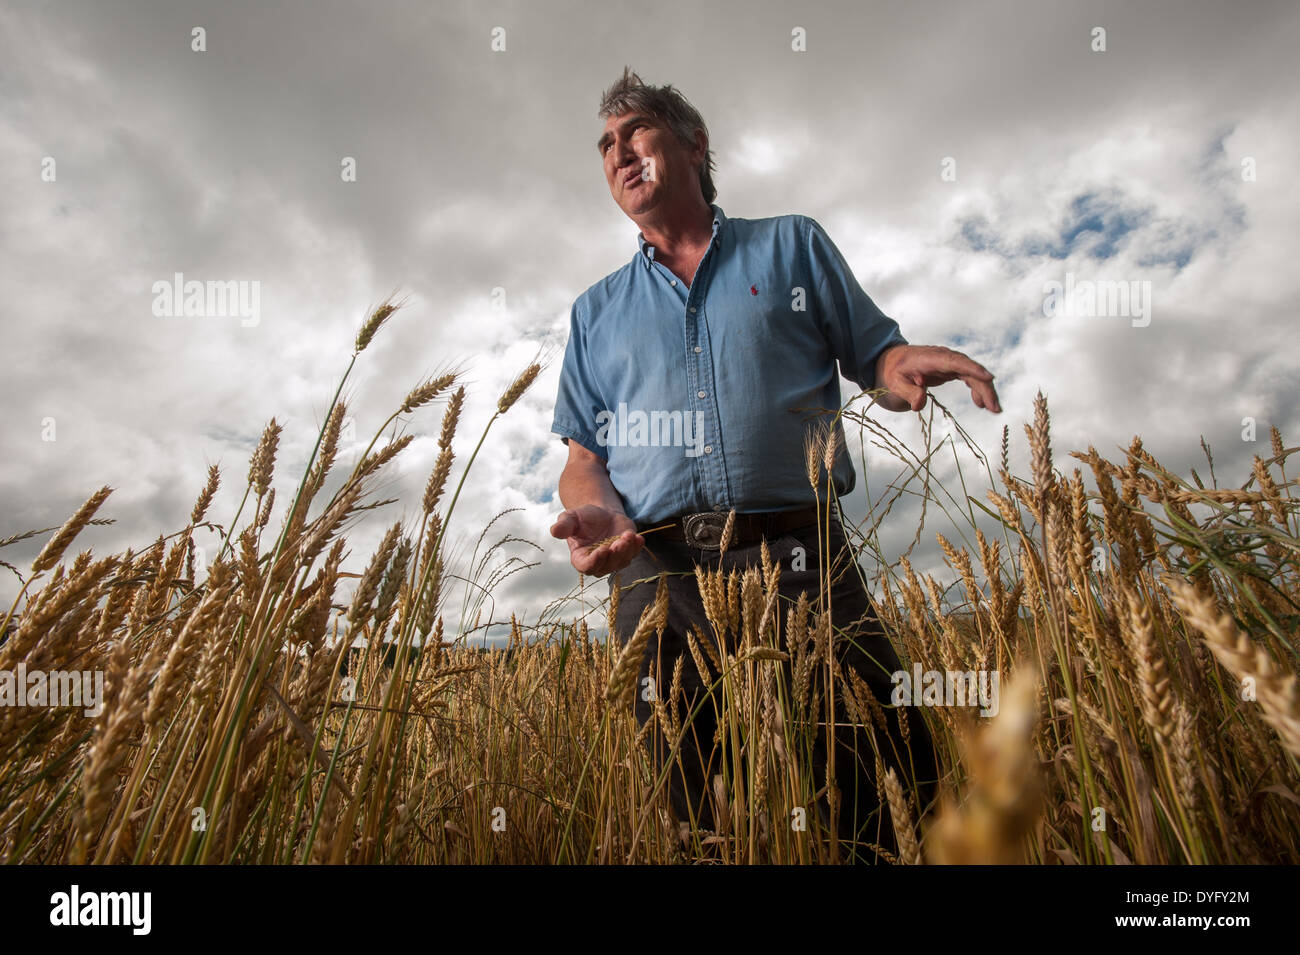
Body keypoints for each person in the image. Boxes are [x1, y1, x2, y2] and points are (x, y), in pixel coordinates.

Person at [548, 67, 1003, 862]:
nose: (619, 152)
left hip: (800, 560)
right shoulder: (595, 312)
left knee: (885, 778)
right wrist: (599, 508)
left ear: (694, 144)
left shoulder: (791, 243)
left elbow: (875, 353)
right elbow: (585, 457)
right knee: (699, 819)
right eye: (606, 144)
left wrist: (898, 368)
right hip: (656, 580)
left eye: (637, 132)